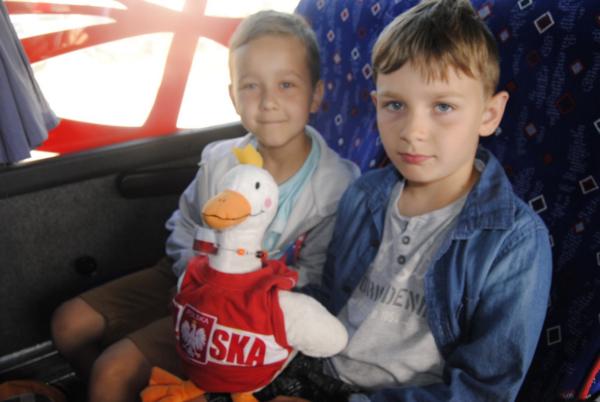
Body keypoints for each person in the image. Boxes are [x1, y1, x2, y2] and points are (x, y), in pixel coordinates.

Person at [50, 10, 359, 402]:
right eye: (251, 86)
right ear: (233, 96)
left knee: (111, 372)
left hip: (249, 310)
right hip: (189, 272)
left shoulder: (334, 185)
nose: (268, 102)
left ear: (315, 94)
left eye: (286, 85)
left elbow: (312, 275)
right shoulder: (220, 159)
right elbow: (186, 223)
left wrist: (230, 297)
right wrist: (189, 277)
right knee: (67, 325)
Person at [261, 0, 553, 401]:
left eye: (443, 107)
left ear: (489, 114)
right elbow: (330, 300)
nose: (413, 131)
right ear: (376, 103)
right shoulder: (363, 195)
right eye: (395, 105)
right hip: (311, 368)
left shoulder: (513, 242)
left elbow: (484, 390)